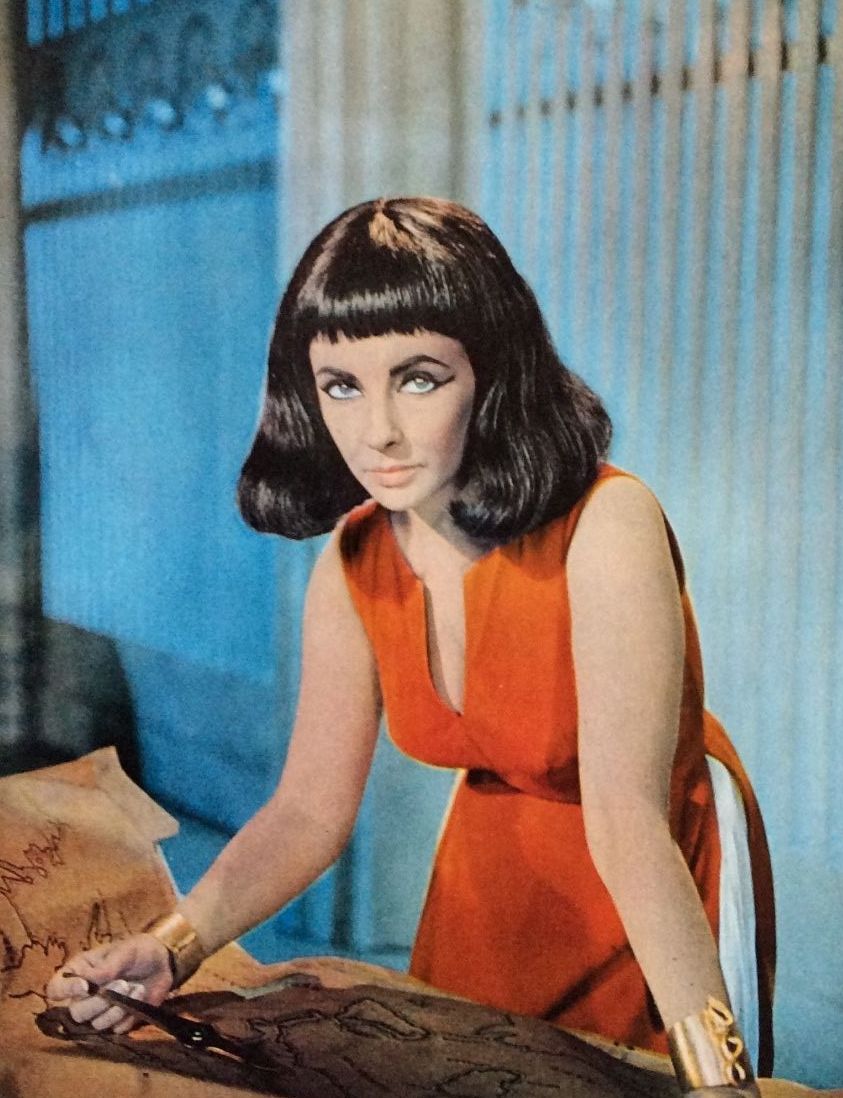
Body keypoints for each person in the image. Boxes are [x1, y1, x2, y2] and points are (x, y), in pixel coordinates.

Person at [47, 196, 775, 1094]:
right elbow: (307, 812)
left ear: (492, 372)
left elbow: (628, 824)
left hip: (652, 868)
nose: (377, 429)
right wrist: (171, 948)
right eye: (341, 385)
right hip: (487, 875)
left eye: (418, 378)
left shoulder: (607, 521)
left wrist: (718, 1077)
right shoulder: (354, 555)